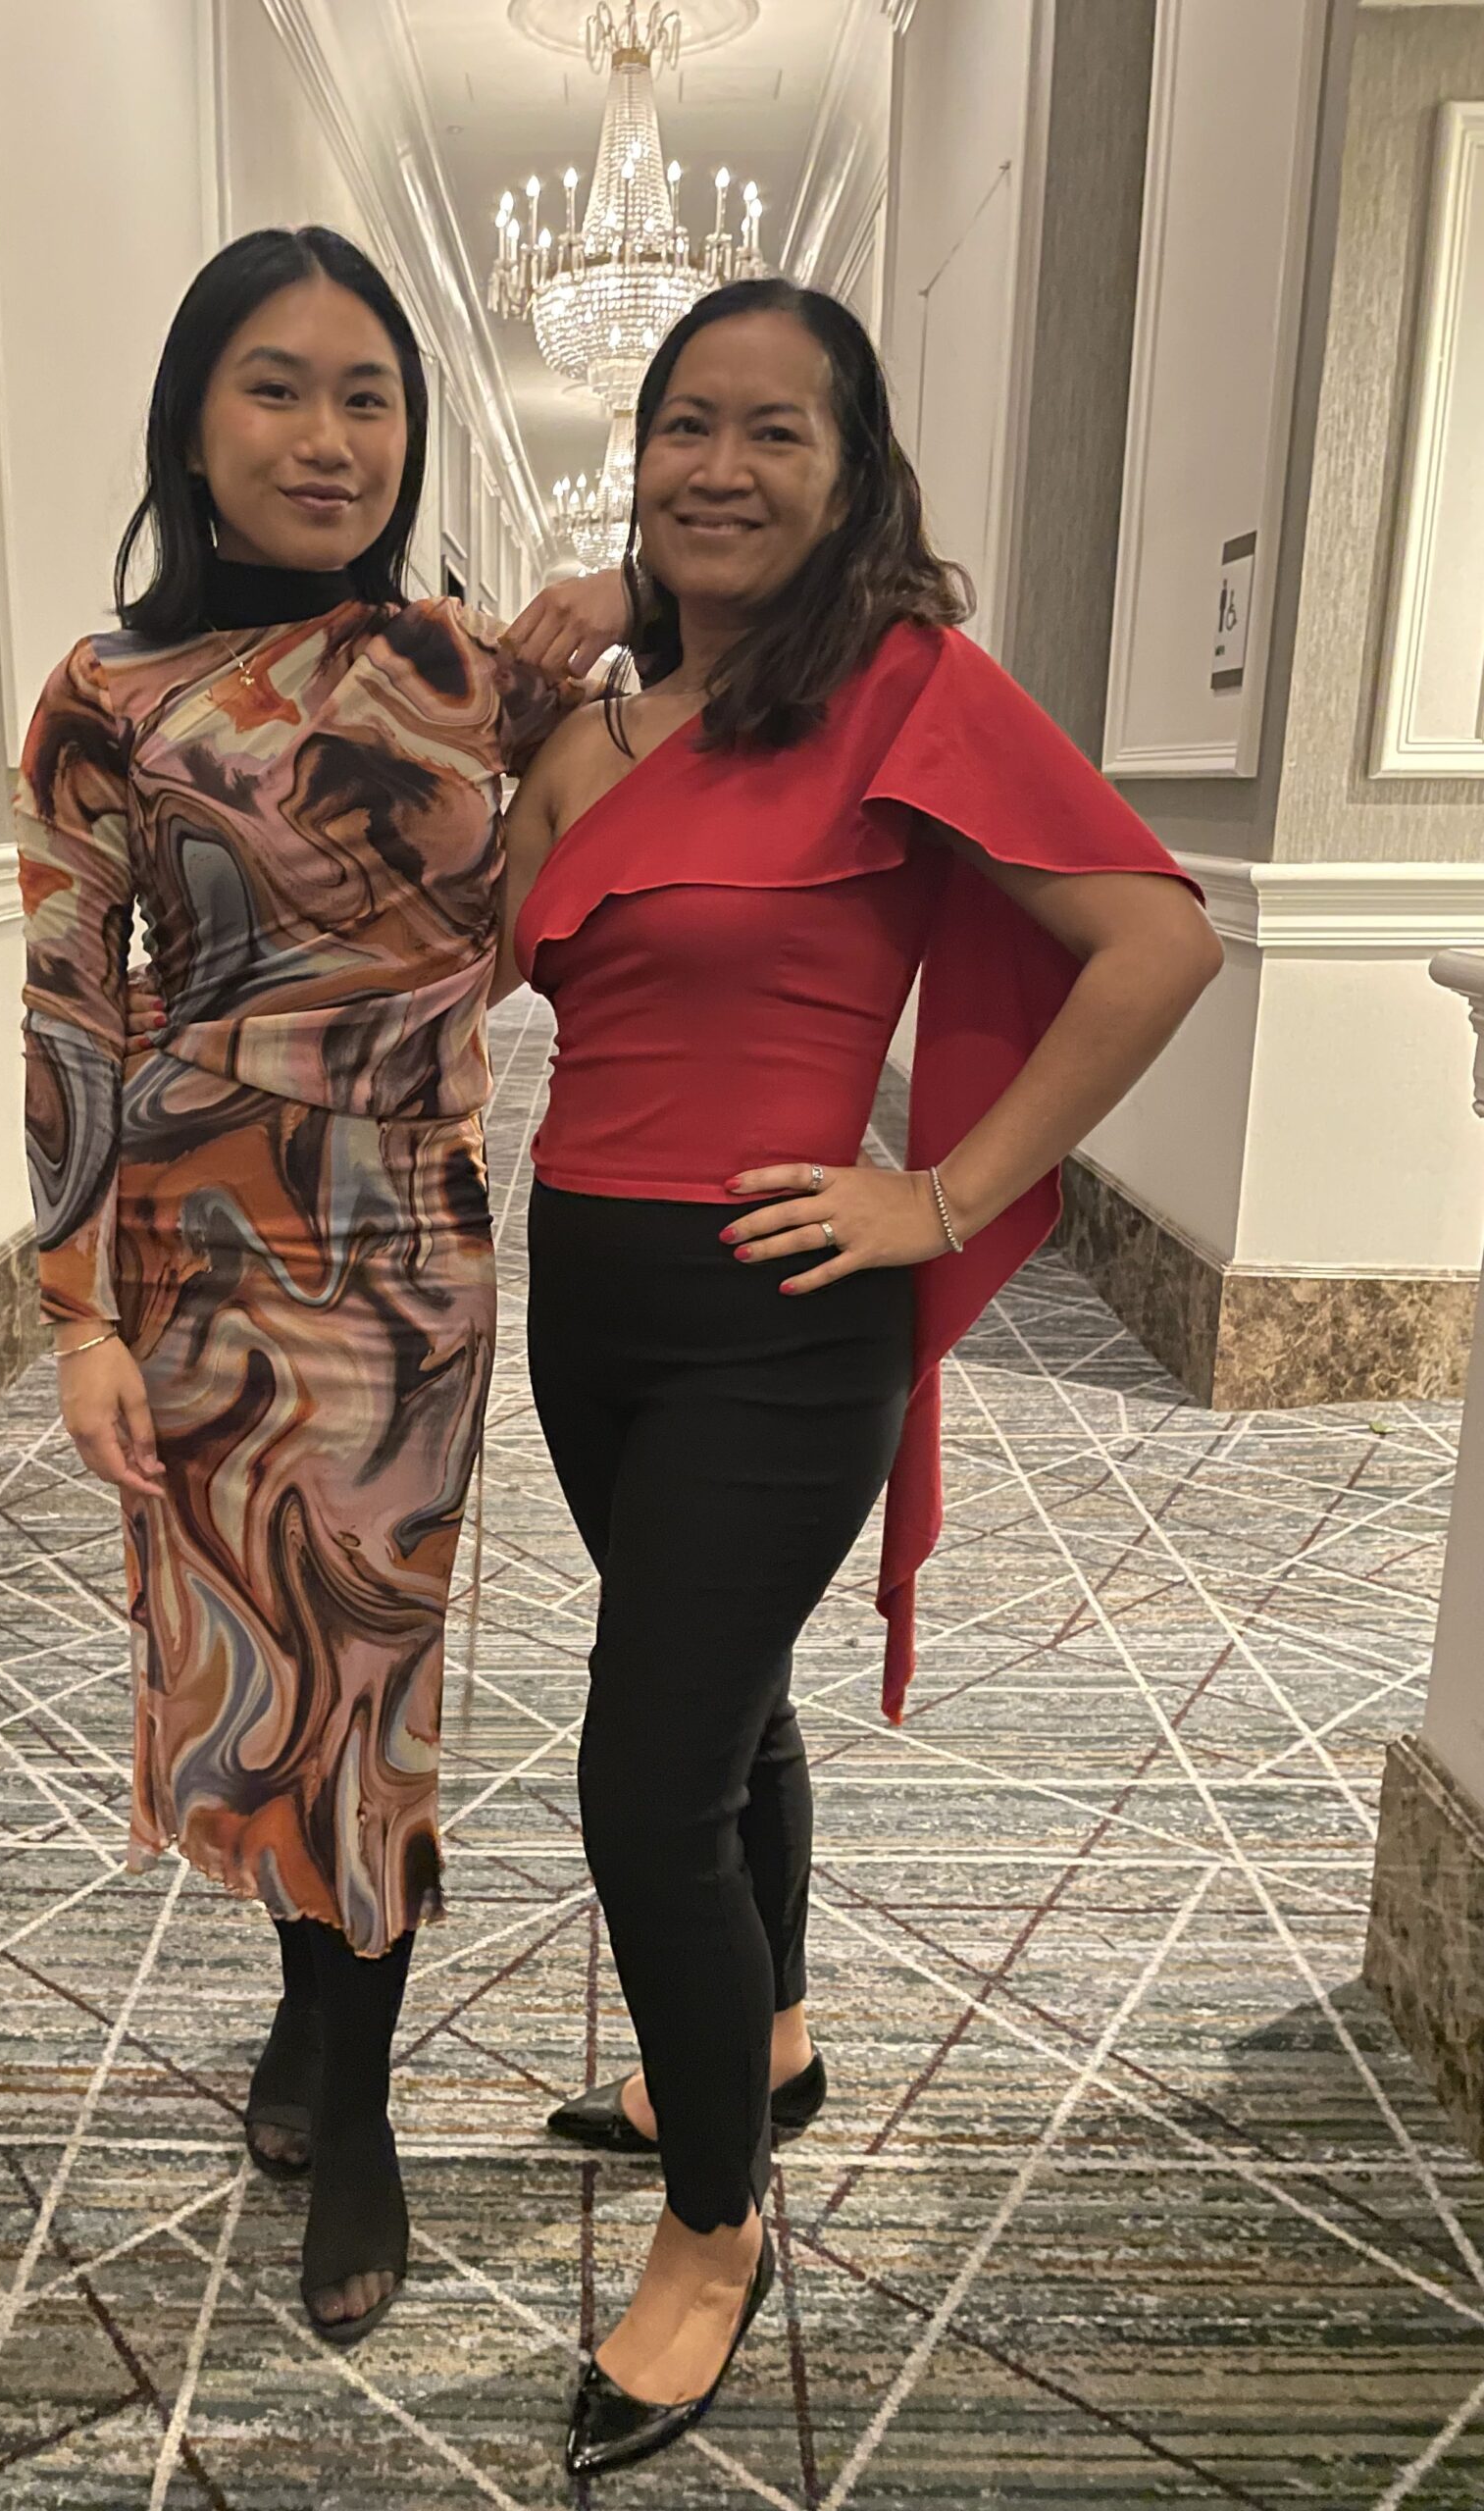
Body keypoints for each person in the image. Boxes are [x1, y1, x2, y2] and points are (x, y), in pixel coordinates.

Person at [496, 278, 1222, 2478]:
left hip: (779, 1316)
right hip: (587, 1291)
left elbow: (1158, 934)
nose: (721, 466)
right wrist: (546, 672)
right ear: (638, 457)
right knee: (727, 1716)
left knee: (641, 1781)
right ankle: (775, 2033)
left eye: (775, 434)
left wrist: (942, 1188)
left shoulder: (902, 686)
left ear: (852, 473)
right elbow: (503, 947)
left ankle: (713, 2227)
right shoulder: (599, 719)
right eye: (684, 427)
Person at [16, 224, 621, 2347]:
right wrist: (79, 1310)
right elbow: (78, 997)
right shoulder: (109, 695)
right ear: (193, 414)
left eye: (368, 390)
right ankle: (309, 2009)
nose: (328, 432)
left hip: (402, 1259)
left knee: (367, 1678)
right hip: (190, 1248)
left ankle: (352, 2104)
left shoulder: (490, 670)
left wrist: (627, 588)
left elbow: (840, 609)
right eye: (277, 384)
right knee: (245, 1670)